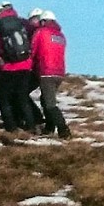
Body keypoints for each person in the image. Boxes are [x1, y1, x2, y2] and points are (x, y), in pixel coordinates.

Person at [0, 3, 36, 132]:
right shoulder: (21, 22)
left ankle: (11, 127)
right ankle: (31, 126)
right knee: (22, 97)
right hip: (26, 66)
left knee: (3, 98)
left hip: (8, 68)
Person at [31, 10, 70, 138]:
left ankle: (63, 130)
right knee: (45, 99)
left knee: (50, 104)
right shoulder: (61, 36)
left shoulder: (41, 32)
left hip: (46, 71)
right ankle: (49, 127)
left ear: (43, 21)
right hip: (59, 72)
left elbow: (33, 50)